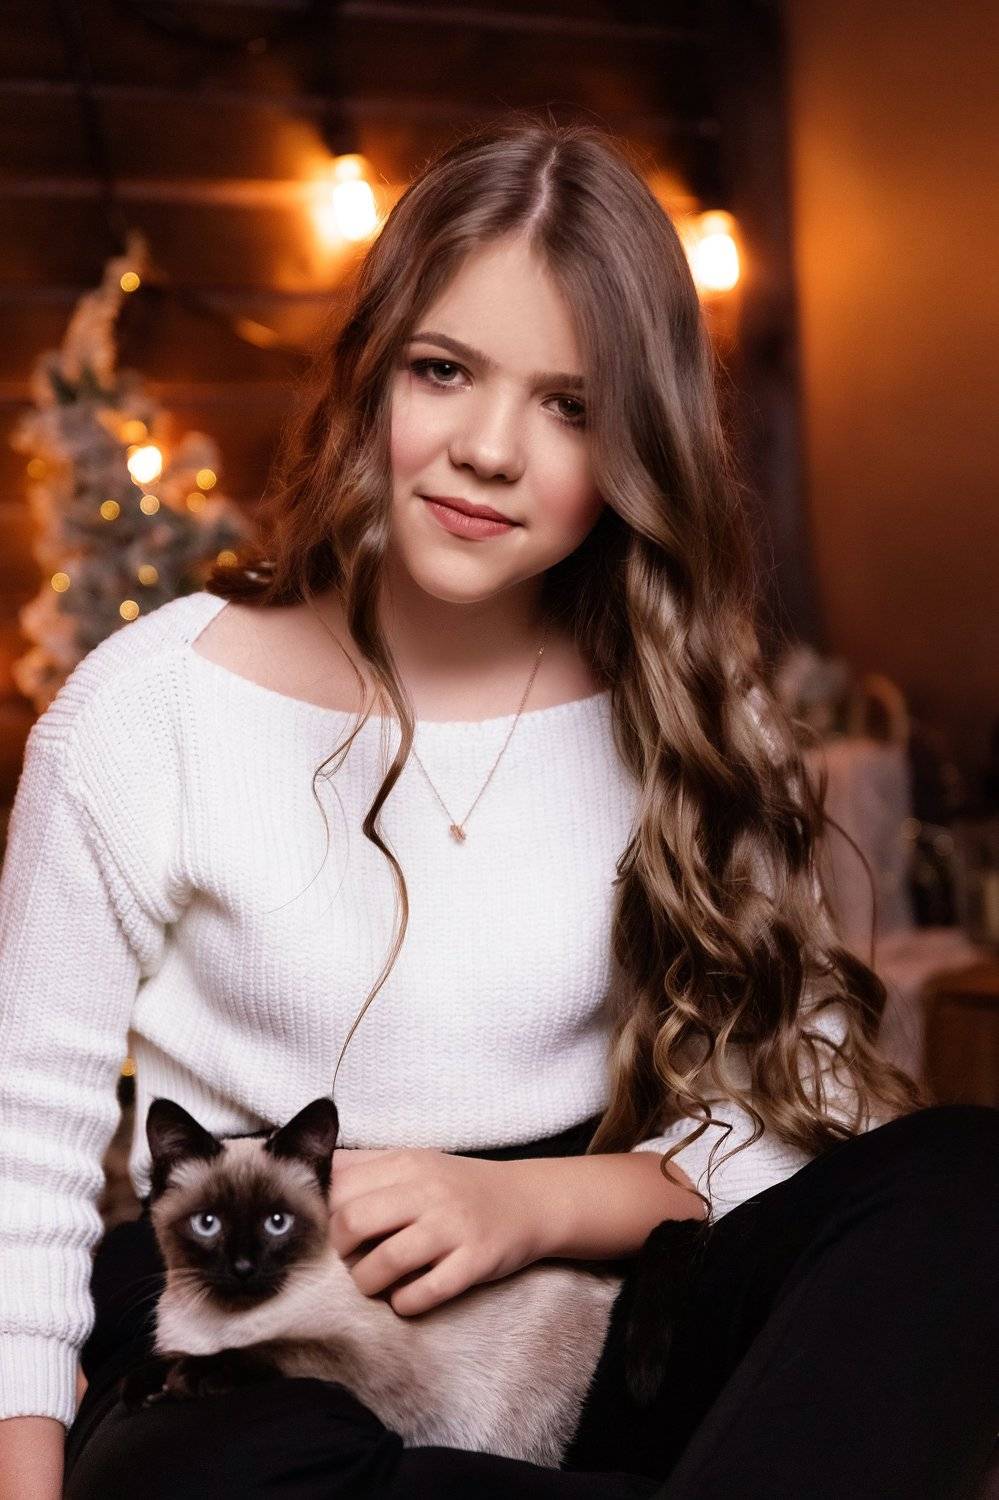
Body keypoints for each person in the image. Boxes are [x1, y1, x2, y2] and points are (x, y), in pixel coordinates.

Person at [0, 117, 996, 1500]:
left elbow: (812, 1092)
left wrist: (535, 1203)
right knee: (209, 1473)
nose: (488, 449)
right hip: (261, 1331)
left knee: (966, 1184)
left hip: (585, 1323)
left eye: (570, 406)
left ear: (639, 446)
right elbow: (23, 1151)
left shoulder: (690, 712)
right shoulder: (146, 709)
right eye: (445, 370)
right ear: (370, 373)